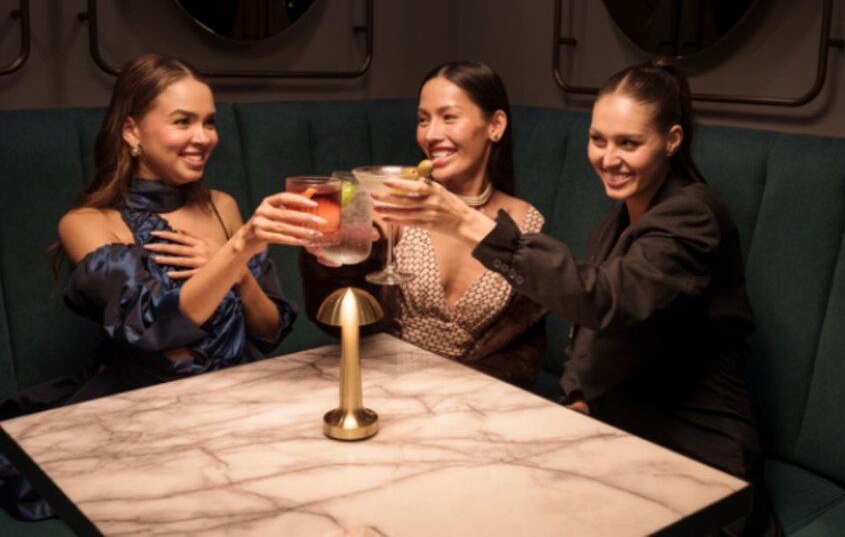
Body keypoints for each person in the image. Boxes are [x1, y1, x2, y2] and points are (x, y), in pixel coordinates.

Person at [370, 60, 780, 535]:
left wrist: (464, 223)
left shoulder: (695, 217)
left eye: (629, 143)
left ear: (671, 140)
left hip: (699, 456)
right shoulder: (614, 223)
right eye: (598, 139)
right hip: (622, 437)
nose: (608, 158)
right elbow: (594, 338)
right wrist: (575, 406)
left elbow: (604, 300)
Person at [0, 53, 323, 521]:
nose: (202, 137)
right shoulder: (87, 223)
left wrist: (229, 262)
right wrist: (240, 248)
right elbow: (157, 330)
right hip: (143, 413)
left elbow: (269, 330)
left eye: (209, 122)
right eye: (182, 121)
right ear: (131, 131)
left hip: (237, 403)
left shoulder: (222, 207)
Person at [301, 61, 547, 388]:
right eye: (423, 120)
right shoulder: (393, 205)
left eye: (449, 117)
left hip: (475, 395)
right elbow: (338, 313)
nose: (431, 135)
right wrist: (333, 264)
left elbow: (524, 349)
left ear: (495, 125)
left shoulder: (525, 224)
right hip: (381, 382)